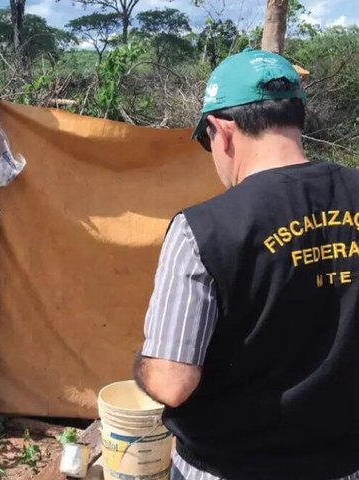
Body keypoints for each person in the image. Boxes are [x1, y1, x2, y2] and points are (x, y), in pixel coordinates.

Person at [133, 48, 359, 480]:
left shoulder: (202, 229)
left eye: (206, 142)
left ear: (222, 130)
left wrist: (143, 364)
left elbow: (171, 383)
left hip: (230, 467)